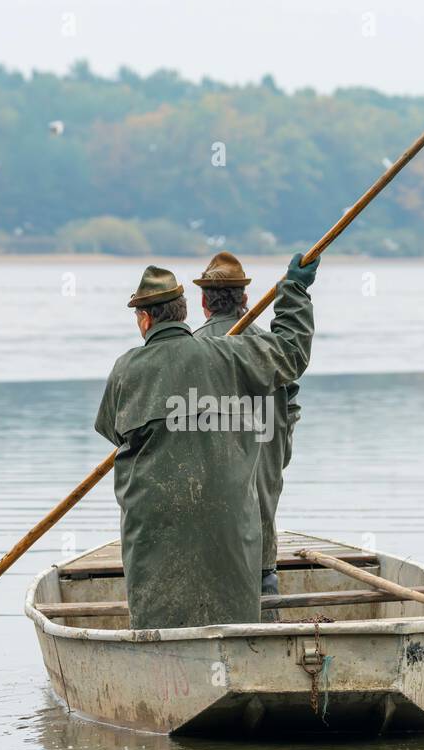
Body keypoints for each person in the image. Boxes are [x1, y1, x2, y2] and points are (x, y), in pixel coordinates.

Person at [94, 254, 318, 629]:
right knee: (242, 604)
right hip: (238, 533)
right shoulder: (230, 355)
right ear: (183, 311)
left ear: (145, 319)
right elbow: (291, 353)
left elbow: (113, 432)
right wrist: (294, 291)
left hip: (155, 538)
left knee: (160, 618)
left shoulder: (126, 369)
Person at [192, 252, 300, 598]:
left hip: (207, 534)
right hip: (261, 526)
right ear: (245, 300)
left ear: (204, 302)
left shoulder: (188, 350)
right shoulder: (270, 349)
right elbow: (287, 420)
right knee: (265, 590)